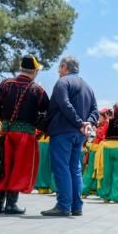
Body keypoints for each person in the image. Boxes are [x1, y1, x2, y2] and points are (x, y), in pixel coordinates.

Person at [0, 55, 50, 216]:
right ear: (34, 71)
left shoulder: (6, 84)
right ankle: (11, 204)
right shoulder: (37, 90)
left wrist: (5, 119)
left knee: (5, 166)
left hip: (7, 132)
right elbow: (47, 112)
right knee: (18, 168)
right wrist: (40, 125)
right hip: (25, 135)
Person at [43, 56, 98, 217]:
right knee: (75, 168)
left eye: (59, 68)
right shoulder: (88, 86)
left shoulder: (62, 82)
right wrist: (88, 123)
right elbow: (95, 110)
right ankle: (76, 206)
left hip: (63, 131)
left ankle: (63, 205)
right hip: (79, 135)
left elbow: (64, 104)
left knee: (62, 168)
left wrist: (80, 123)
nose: (58, 71)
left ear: (65, 67)